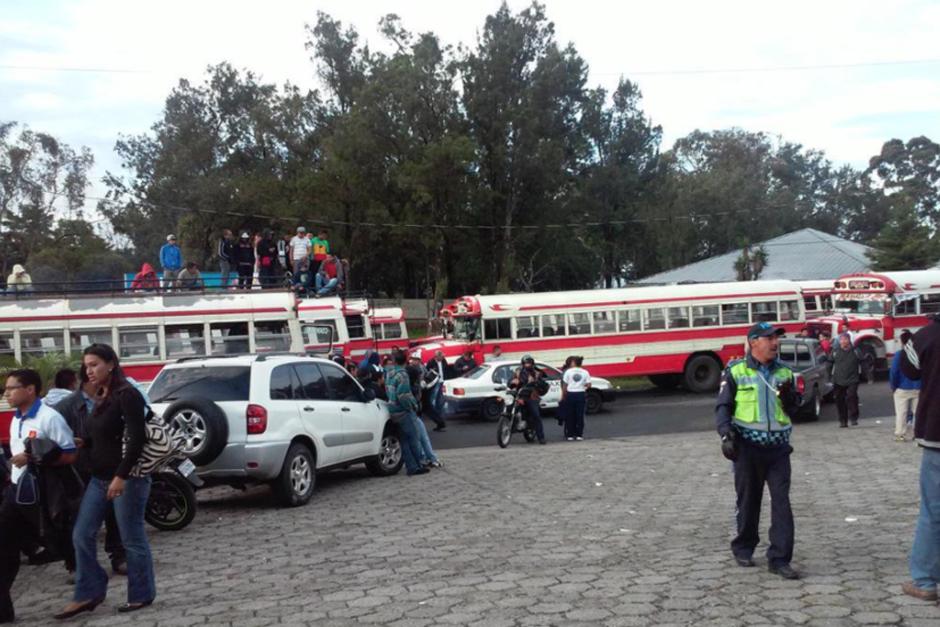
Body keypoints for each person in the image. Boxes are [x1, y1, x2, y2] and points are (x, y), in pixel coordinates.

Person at [56, 344, 156, 619]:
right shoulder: (102, 394)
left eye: (94, 364)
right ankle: (89, 591)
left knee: (131, 538)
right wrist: (84, 442)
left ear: (111, 364)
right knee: (81, 533)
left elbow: (136, 439)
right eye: (86, 366)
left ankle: (141, 594)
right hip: (99, 479)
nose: (89, 371)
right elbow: (105, 435)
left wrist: (121, 477)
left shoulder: (128, 395)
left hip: (128, 479)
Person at [716, 321, 801, 580]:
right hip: (747, 449)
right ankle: (743, 547)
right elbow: (723, 407)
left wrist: (790, 399)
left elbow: (794, 408)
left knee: (782, 503)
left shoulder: (785, 373)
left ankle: (779, 558)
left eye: (776, 338)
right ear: (754, 342)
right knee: (748, 501)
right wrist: (725, 434)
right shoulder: (736, 371)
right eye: (769, 338)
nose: (775, 343)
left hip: (778, 450)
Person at [1, 369, 78, 624]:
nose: (7, 393)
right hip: (16, 493)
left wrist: (34, 456)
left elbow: (69, 454)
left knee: (61, 539)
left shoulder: (49, 418)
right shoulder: (16, 418)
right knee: (5, 546)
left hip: (43, 495)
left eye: (12, 388)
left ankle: (85, 579)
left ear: (30, 389)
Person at [53, 367, 127, 578]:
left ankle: (119, 555)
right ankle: (79, 566)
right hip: (79, 471)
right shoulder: (65, 408)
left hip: (110, 467)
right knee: (79, 521)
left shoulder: (114, 400)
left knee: (115, 514)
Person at [899, 313, 940, 602]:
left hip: (936, 435)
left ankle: (924, 581)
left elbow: (908, 370)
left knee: (933, 512)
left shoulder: (927, 336)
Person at [385, 351, 429, 477]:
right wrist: (413, 405)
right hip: (403, 410)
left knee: (403, 440)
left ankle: (411, 466)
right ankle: (417, 465)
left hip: (392, 409)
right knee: (414, 438)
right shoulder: (403, 375)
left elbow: (389, 391)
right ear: (406, 361)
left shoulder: (389, 373)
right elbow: (403, 395)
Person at [406, 356, 443, 469]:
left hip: (408, 413)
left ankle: (424, 458)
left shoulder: (408, 384)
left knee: (415, 437)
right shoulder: (414, 387)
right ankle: (429, 458)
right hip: (413, 413)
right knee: (421, 436)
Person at [891, 330, 920, 442]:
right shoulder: (919, 353)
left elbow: (894, 372)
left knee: (901, 412)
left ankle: (900, 434)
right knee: (917, 412)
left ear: (902, 342)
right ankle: (917, 434)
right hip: (918, 386)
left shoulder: (899, 355)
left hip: (902, 388)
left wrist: (894, 386)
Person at [510, 355, 547, 445]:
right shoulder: (518, 371)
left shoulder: (537, 372)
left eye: (529, 363)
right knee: (509, 408)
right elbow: (511, 381)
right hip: (519, 395)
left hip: (532, 396)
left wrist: (535, 381)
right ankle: (511, 424)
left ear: (532, 363)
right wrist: (512, 382)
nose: (527, 365)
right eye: (526, 363)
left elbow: (542, 383)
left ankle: (541, 438)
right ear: (522, 364)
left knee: (536, 415)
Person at [829, 333, 862, 427]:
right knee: (839, 400)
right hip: (838, 379)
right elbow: (829, 363)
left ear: (849, 340)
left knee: (851, 396)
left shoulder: (856, 351)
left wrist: (868, 376)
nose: (843, 342)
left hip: (853, 378)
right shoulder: (835, 351)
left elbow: (863, 362)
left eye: (845, 339)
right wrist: (828, 377)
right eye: (841, 340)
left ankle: (853, 417)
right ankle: (843, 420)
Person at [562, 356, 591, 441]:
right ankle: (579, 435)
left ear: (574, 362)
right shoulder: (585, 372)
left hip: (570, 394)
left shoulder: (568, 372)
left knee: (570, 415)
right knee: (580, 415)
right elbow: (589, 384)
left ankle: (570, 434)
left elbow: (565, 385)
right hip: (580, 394)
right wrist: (583, 387)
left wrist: (564, 395)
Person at [424, 351, 449, 432]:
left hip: (442, 381)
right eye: (441, 356)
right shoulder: (431, 362)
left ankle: (439, 414)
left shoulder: (443, 361)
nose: (442, 358)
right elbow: (428, 371)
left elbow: (446, 368)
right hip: (435, 383)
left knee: (440, 399)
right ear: (436, 356)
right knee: (433, 398)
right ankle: (434, 413)